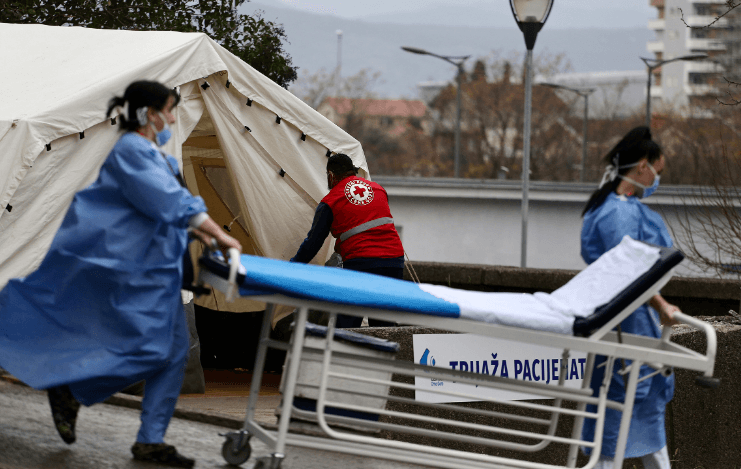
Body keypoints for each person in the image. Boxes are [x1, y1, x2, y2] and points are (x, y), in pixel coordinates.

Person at [0, 81, 241, 468]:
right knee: (150, 351)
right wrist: (216, 232)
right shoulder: (130, 150)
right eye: (170, 109)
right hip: (134, 274)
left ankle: (149, 440)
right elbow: (168, 200)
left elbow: (163, 205)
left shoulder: (155, 155)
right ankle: (71, 388)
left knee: (174, 354)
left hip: (159, 274)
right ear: (149, 113)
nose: (174, 118)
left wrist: (200, 233)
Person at [580, 126, 680, 469]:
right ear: (642, 166)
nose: (656, 180)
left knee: (642, 416)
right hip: (629, 325)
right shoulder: (619, 214)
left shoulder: (610, 208)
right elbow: (630, 273)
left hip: (631, 324)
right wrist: (663, 305)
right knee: (618, 417)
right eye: (657, 171)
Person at [291, 154, 405, 328]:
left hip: (361, 262)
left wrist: (292, 266)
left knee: (347, 323)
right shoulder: (378, 189)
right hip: (394, 262)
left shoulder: (330, 201)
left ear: (331, 175)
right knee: (384, 325)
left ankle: (340, 352)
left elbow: (312, 244)